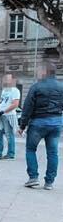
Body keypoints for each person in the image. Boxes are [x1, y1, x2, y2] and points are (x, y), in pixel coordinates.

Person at [19, 61, 63, 190]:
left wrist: (22, 125)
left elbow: (28, 107)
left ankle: (33, 178)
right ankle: (49, 182)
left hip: (38, 122)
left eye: (39, 71)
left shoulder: (36, 87)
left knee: (31, 149)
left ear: (44, 72)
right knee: (53, 152)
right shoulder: (61, 87)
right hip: (56, 121)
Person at [0, 75, 20, 160]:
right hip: (1, 115)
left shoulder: (15, 90)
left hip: (8, 115)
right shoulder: (4, 90)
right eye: (4, 79)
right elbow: (3, 102)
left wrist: (4, 111)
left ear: (13, 80)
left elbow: (15, 104)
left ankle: (11, 154)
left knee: (9, 135)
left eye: (7, 79)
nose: (4, 80)